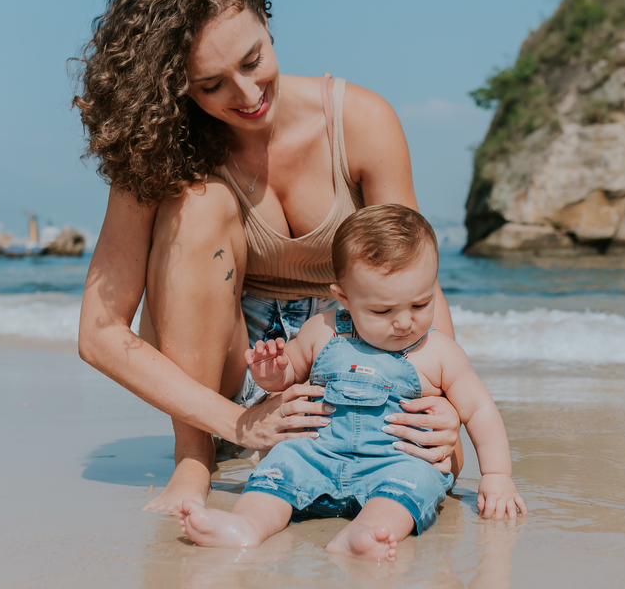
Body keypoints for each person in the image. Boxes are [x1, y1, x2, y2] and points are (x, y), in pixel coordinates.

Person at [74, 0, 462, 514]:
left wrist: (443, 403)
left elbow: (414, 276)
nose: (248, 95)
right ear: (176, 87)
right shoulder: (157, 148)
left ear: (266, 22)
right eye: (211, 85)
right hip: (225, 385)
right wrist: (239, 422)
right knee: (199, 203)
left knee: (435, 464)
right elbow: (98, 332)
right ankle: (194, 460)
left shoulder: (360, 122)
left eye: (253, 61)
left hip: (358, 370)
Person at [179, 205, 526, 561]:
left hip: (395, 461)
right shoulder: (323, 331)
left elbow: (480, 410)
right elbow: (288, 375)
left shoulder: (439, 352)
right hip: (316, 453)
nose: (405, 322)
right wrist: (270, 372)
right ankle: (247, 526)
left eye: (421, 304)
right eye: (383, 311)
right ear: (343, 297)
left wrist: (497, 474)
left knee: (417, 481)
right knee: (279, 465)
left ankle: (363, 534)